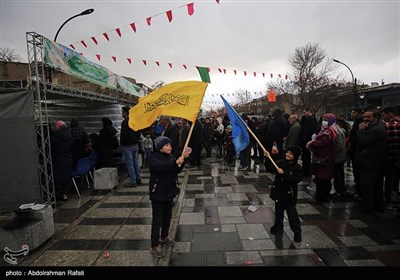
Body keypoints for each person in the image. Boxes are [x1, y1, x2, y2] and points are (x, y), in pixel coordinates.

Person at [148, 136, 191, 258]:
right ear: (160, 147)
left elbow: (176, 170)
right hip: (158, 193)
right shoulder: (153, 158)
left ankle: (164, 236)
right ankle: (154, 245)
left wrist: (183, 160)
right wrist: (175, 162)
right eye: (167, 145)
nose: (170, 147)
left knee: (167, 216)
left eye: (170, 145)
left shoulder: (171, 157)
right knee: (157, 220)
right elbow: (160, 167)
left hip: (169, 192)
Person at [264, 146, 303, 243]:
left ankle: (297, 232)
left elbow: (295, 180)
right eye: (287, 152)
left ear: (295, 156)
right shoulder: (281, 163)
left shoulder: (297, 168)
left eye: (291, 154)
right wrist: (268, 158)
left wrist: (284, 174)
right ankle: (278, 225)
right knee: (278, 212)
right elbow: (270, 168)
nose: (288, 155)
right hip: (279, 193)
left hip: (289, 196)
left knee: (292, 215)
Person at [50, 120, 73, 201]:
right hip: (68, 158)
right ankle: (65, 194)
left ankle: (56, 194)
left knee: (57, 177)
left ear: (57, 127)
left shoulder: (53, 137)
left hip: (57, 159)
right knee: (67, 177)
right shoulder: (69, 135)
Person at [120, 107, 142, 187]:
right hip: (135, 145)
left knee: (130, 164)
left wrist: (122, 143)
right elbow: (139, 132)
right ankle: (138, 178)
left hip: (127, 146)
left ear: (126, 113)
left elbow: (124, 135)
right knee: (136, 162)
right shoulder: (135, 121)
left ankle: (133, 181)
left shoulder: (125, 122)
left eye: (122, 112)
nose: (121, 114)